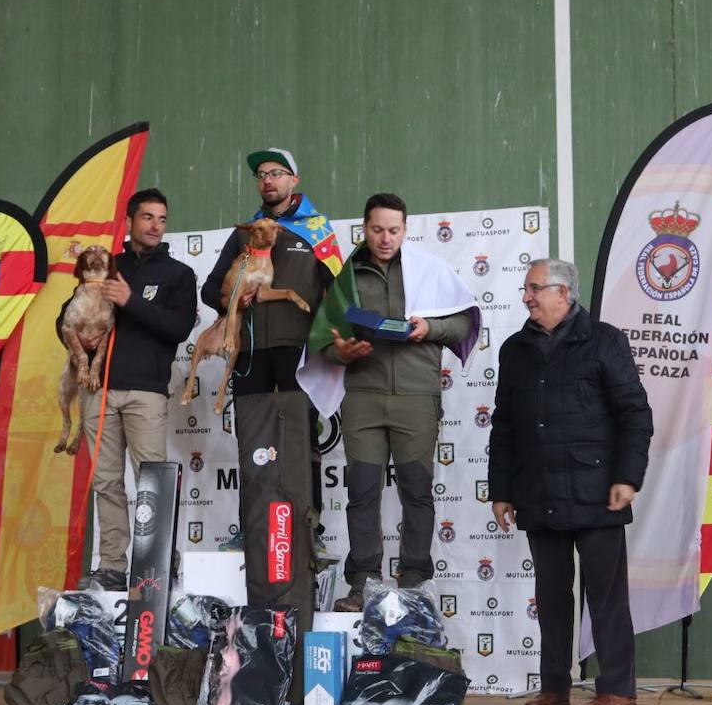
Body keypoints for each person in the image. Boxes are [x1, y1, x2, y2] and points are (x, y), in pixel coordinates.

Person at [489, 258, 652, 705]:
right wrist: (500, 489)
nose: (527, 297)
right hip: (537, 491)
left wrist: (627, 477)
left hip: (597, 488)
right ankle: (554, 686)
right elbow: (503, 426)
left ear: (564, 293)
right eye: (526, 289)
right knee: (551, 596)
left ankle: (618, 689)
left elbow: (634, 415)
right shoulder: (514, 350)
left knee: (606, 595)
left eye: (535, 288)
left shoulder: (604, 341)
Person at [318, 193, 475, 611]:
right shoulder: (346, 276)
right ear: (363, 229)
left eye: (394, 230)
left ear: (405, 229)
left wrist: (430, 326)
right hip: (363, 398)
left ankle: (415, 580)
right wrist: (342, 353)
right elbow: (323, 340)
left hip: (417, 397)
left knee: (417, 492)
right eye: (376, 229)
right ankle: (363, 582)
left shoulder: (428, 270)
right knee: (362, 492)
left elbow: (463, 322)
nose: (385, 238)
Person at [60, 189, 196, 591]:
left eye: (162, 219)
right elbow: (65, 318)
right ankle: (113, 565)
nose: (156, 226)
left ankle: (155, 564)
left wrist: (131, 301)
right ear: (130, 221)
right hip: (97, 390)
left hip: (146, 391)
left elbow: (178, 328)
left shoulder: (178, 274)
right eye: (148, 218)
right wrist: (78, 343)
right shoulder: (105, 265)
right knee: (105, 481)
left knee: (152, 480)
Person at [201, 147, 334, 553]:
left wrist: (332, 344)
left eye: (277, 173)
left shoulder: (317, 229)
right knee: (252, 440)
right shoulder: (245, 232)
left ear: (294, 179)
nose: (268, 180)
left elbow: (338, 293)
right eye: (261, 174)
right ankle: (250, 528)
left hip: (299, 351)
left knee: (302, 440)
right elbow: (211, 290)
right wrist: (231, 302)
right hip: (252, 354)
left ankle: (311, 529)